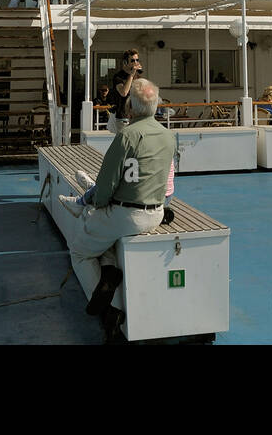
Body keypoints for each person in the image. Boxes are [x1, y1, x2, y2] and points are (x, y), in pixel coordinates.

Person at [61, 77, 174, 340]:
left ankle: (110, 311)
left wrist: (94, 204)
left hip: (126, 215)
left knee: (79, 251)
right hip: (155, 213)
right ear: (156, 106)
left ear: (131, 108)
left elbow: (105, 185)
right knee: (106, 235)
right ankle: (109, 270)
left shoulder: (127, 136)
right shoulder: (169, 136)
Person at [106, 50, 143, 132]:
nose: (135, 62)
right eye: (132, 60)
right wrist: (131, 75)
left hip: (135, 116)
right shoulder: (118, 77)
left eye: (137, 60)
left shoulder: (137, 76)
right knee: (124, 143)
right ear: (125, 62)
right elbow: (124, 92)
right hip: (123, 117)